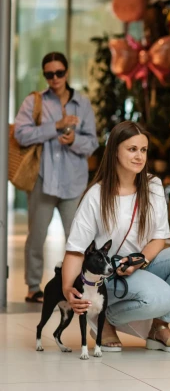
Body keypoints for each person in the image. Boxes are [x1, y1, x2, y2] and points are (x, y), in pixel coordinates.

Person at [61, 121, 170, 352]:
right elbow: (75, 250)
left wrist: (140, 260)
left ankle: (159, 327)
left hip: (137, 266)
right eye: (132, 149)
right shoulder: (96, 195)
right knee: (162, 298)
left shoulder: (153, 185)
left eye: (143, 150)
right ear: (115, 151)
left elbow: (158, 238)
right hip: (106, 277)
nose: (139, 156)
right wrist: (68, 288)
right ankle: (103, 320)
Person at [14, 52, 99, 303]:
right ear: (45, 76)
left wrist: (73, 140)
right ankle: (33, 286)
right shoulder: (35, 102)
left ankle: (77, 285)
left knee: (77, 237)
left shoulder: (82, 104)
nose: (55, 78)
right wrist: (57, 127)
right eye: (49, 74)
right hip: (43, 178)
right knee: (36, 236)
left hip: (73, 181)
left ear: (67, 72)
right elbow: (21, 134)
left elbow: (92, 143)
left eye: (59, 73)